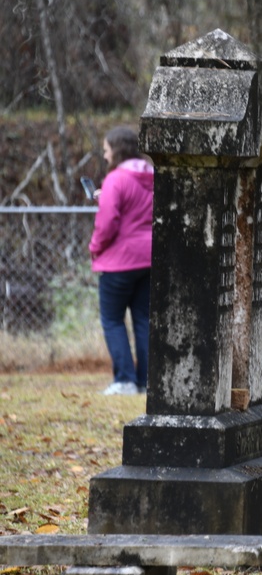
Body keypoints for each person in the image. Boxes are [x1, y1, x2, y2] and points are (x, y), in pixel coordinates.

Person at [88, 126, 155, 396]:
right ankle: (147, 381)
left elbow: (108, 223)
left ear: (116, 150)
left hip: (119, 261)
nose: (105, 156)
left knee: (113, 320)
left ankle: (125, 380)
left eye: (106, 150)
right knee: (143, 319)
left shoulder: (116, 179)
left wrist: (95, 247)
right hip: (148, 259)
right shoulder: (153, 175)